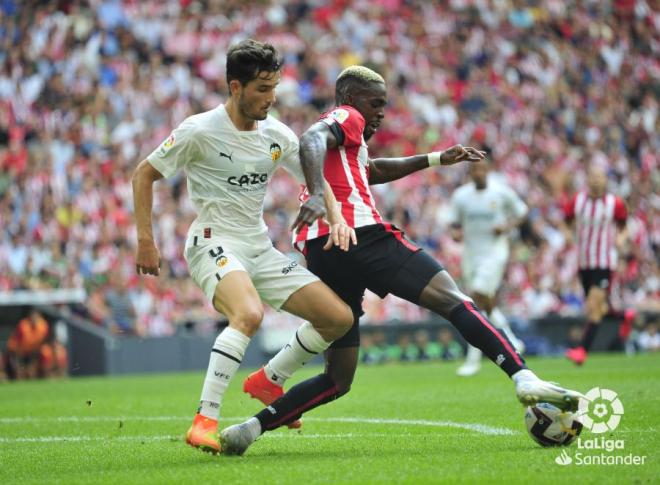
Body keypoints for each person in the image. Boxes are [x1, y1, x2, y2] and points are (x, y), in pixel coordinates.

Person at [219, 66, 585, 455]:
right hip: (361, 234)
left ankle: (249, 429)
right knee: (455, 301)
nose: (380, 113)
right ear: (352, 100)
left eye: (384, 105)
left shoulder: (349, 145)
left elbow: (371, 170)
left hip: (321, 249)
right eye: (375, 104)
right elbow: (310, 138)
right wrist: (314, 195)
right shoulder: (346, 116)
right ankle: (522, 377)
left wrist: (435, 159)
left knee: (338, 379)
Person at [131, 40, 356, 454]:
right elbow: (143, 175)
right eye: (261, 89)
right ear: (235, 87)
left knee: (338, 318)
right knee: (248, 314)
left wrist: (333, 211)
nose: (271, 98)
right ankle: (204, 420)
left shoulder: (277, 134)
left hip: (258, 247)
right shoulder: (199, 129)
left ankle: (269, 379)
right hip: (212, 241)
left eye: (274, 87)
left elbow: (315, 179)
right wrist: (146, 239)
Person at [450, 161, 528, 376]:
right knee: (485, 301)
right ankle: (513, 340)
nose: (479, 173)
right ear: (470, 173)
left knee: (476, 297)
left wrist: (507, 227)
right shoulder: (461, 196)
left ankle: (473, 359)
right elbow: (454, 224)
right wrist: (455, 233)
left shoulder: (501, 192)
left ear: (489, 170)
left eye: (483, 169)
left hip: (494, 253)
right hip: (471, 255)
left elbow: (522, 212)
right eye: (475, 170)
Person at [564, 165, 631, 365]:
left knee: (594, 305)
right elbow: (565, 221)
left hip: (604, 261)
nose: (596, 180)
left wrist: (620, 239)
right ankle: (622, 315)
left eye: (599, 177)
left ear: (605, 180)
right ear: (588, 179)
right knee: (595, 309)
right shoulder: (578, 200)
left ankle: (582, 350)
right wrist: (568, 234)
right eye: (592, 176)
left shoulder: (614, 203)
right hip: (584, 261)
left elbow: (625, 227)